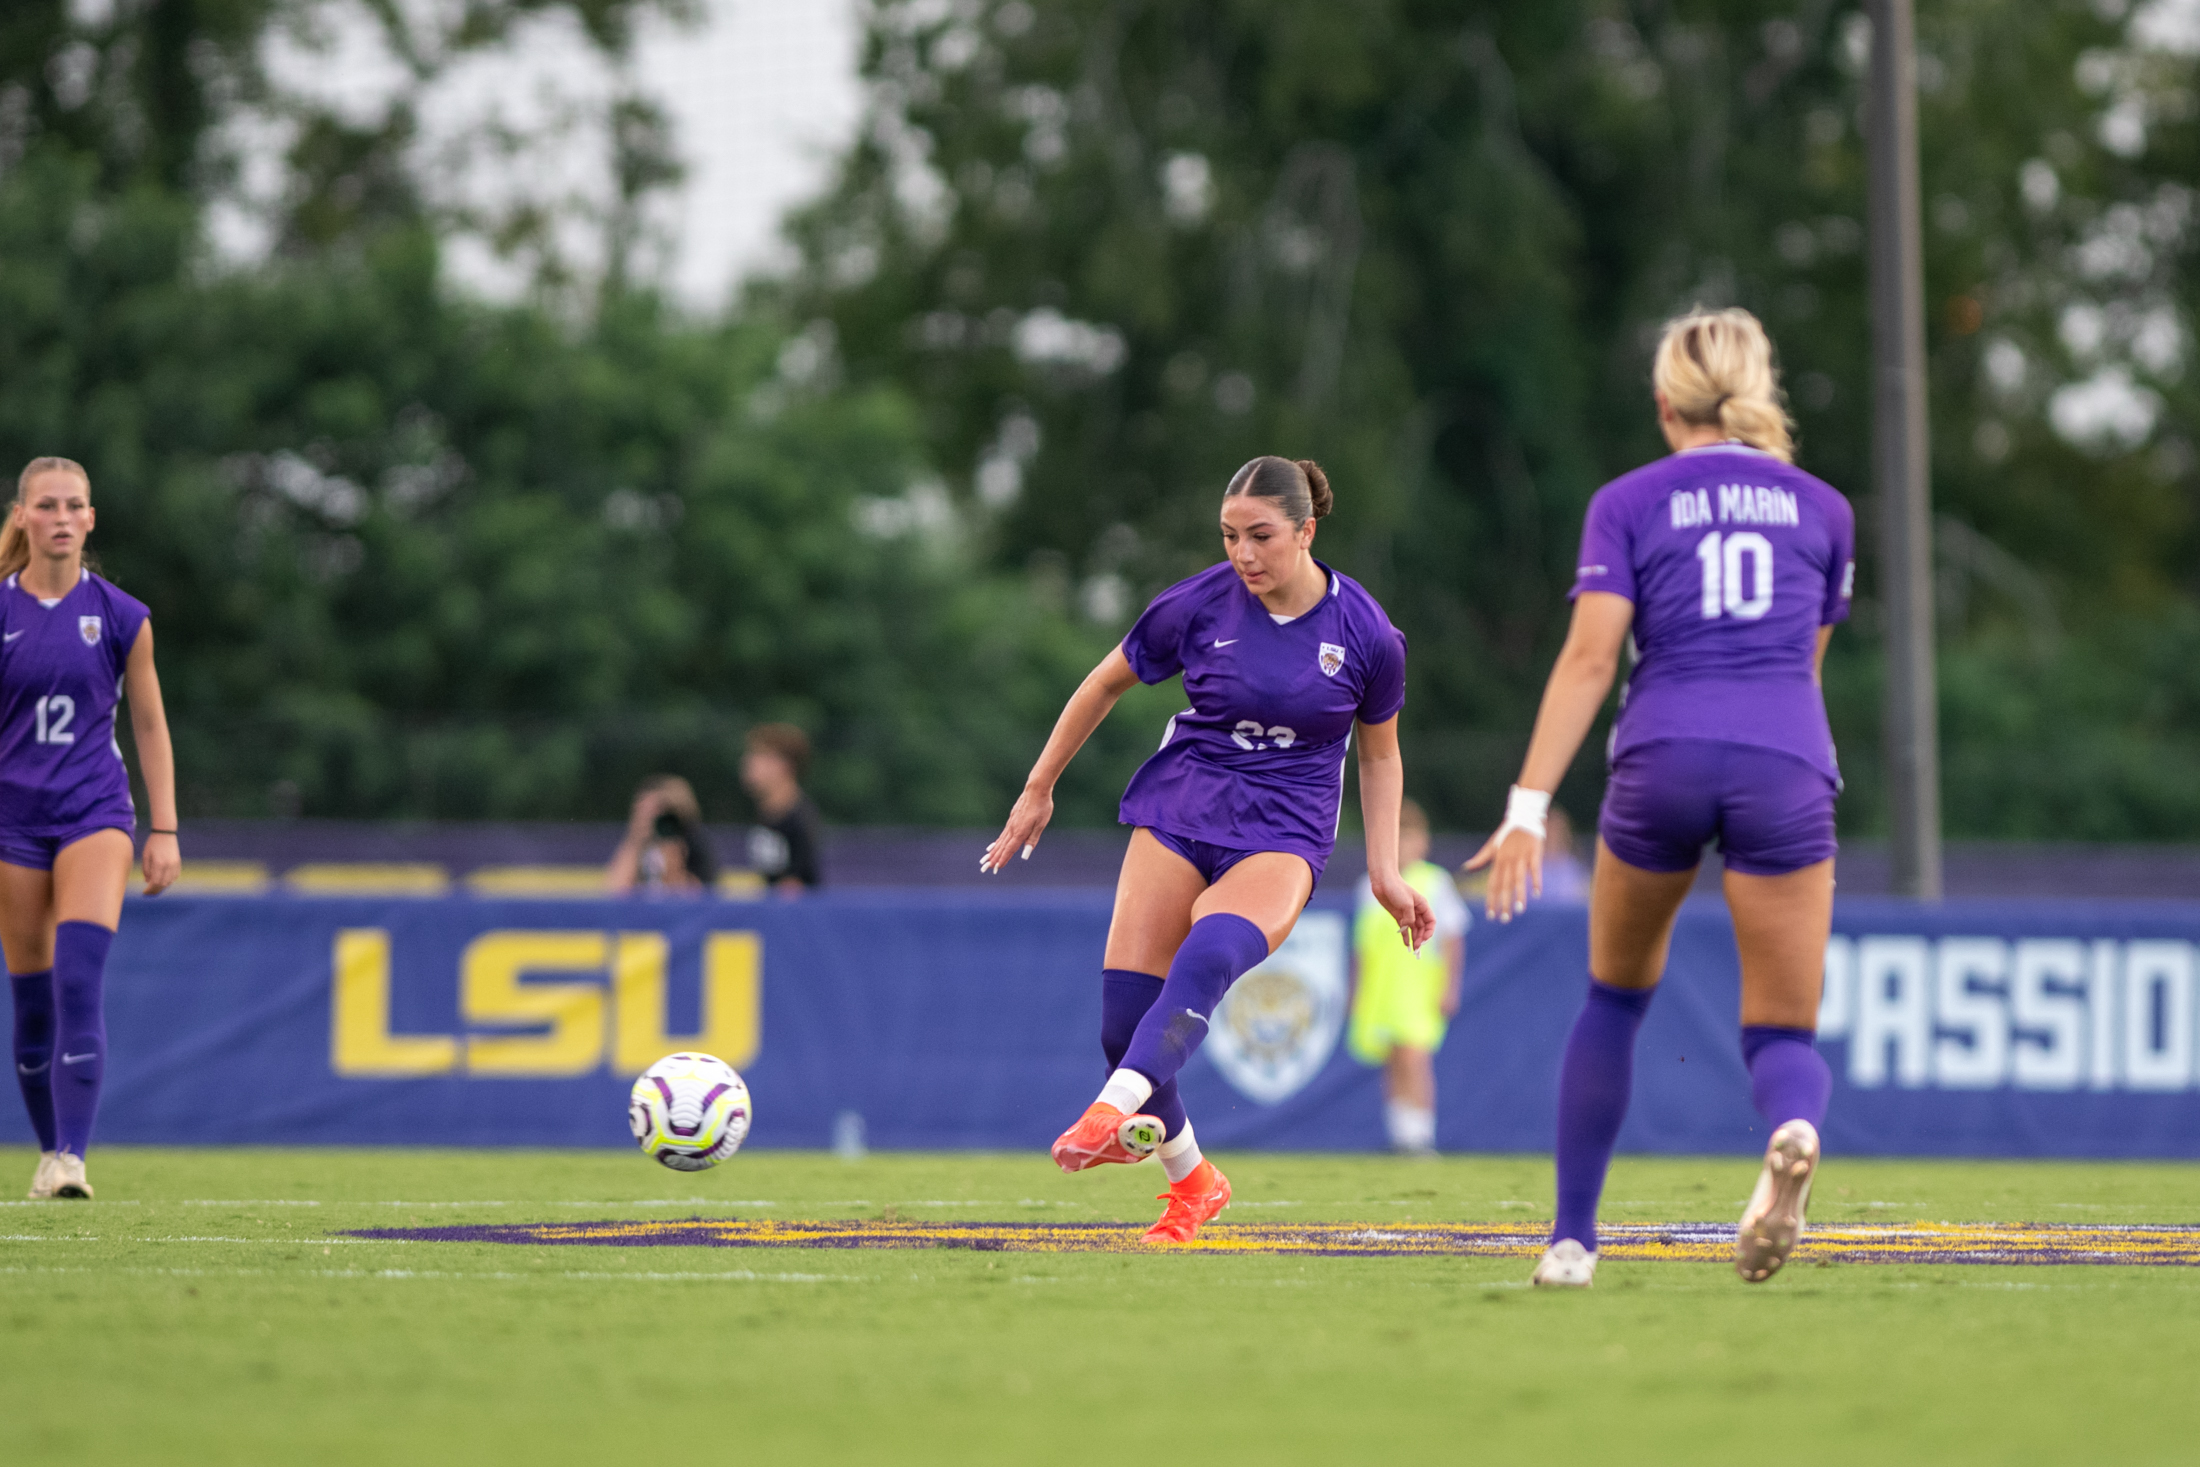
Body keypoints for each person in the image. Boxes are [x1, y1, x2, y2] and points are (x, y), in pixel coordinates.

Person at [1466, 308, 1854, 1288]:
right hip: (1783, 762)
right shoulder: (1824, 510)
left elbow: (1592, 658)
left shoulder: (1629, 500)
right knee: (1782, 1031)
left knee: (1613, 997)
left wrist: (1525, 806)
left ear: (1662, 402)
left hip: (1664, 754)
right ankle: (1793, 1129)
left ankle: (1569, 1241)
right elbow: (1801, 669)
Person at [984, 456, 1433, 1244]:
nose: (1243, 554)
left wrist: (1387, 869)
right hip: (1183, 805)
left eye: (1260, 536)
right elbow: (1102, 683)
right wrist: (1038, 786)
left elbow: (1381, 755)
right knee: (1124, 1023)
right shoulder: (1197, 604)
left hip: (1284, 830)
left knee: (1211, 953)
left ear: (1306, 530)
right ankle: (1194, 1181)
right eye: (1229, 536)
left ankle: (1109, 1111)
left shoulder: (1366, 632)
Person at [4, 457, 181, 1200]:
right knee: (34, 999)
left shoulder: (119, 615)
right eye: (48, 505)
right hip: (12, 819)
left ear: (92, 519)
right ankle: (49, 1150)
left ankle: (73, 1157)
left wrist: (164, 826)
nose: (63, 517)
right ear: (23, 517)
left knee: (81, 978)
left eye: (75, 505)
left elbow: (148, 720)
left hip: (93, 812)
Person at [1349, 799, 1469, 1154]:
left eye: (1410, 837)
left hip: (1417, 987)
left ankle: (1421, 1134)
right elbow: (1361, 947)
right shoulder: (1368, 887)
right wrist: (1356, 991)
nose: (1403, 846)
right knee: (1392, 1058)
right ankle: (1401, 1133)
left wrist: (1450, 986)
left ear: (1424, 842)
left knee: (1414, 1057)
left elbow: (1452, 939)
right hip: (1382, 987)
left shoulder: (1436, 882)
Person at [740, 723, 822, 893]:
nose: (748, 762)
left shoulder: (801, 820)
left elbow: (794, 889)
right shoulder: (765, 814)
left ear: (784, 765)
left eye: (760, 756)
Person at [605, 776, 717, 894]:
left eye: (657, 809)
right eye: (642, 810)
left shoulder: (694, 841)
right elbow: (615, 892)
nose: (650, 817)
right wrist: (636, 840)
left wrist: (674, 864)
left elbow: (701, 897)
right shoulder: (638, 842)